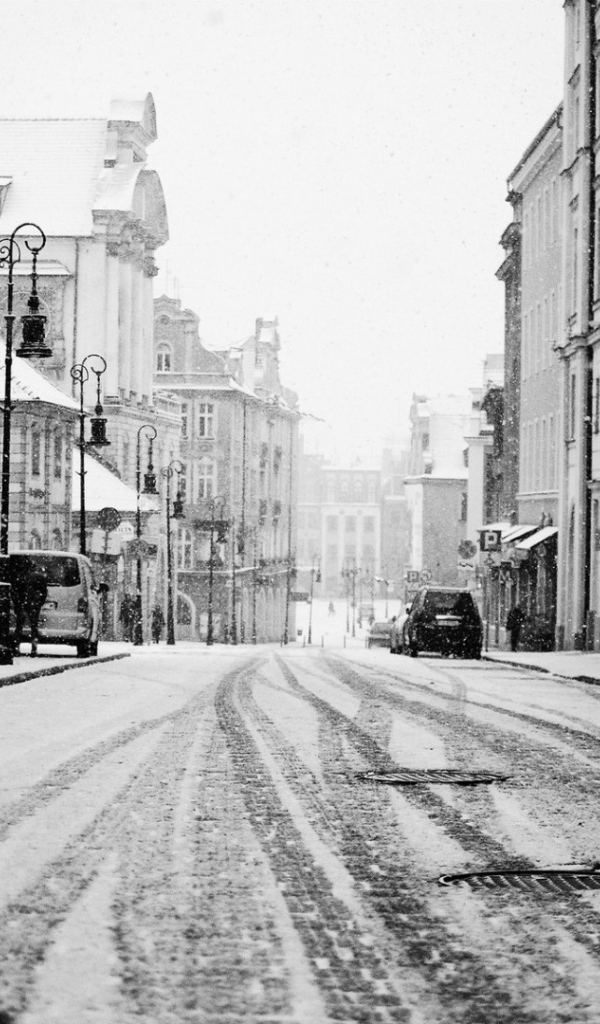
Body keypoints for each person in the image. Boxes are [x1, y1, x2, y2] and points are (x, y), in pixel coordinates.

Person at [11, 559, 48, 657]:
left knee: (19, 627)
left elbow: (14, 592)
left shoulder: (19, 578)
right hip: (33, 605)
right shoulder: (39, 578)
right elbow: (44, 592)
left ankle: (16, 647)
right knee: (34, 626)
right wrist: (39, 603)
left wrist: (18, 605)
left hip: (22, 603)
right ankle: (33, 648)